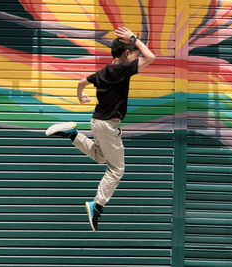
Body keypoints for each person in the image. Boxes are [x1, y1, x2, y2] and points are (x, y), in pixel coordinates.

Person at [45, 27, 155, 231]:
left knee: (100, 156)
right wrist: (134, 38)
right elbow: (151, 56)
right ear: (126, 54)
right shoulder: (122, 69)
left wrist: (80, 96)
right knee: (117, 169)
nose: (137, 54)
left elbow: (81, 82)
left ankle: (72, 134)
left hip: (97, 122)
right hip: (107, 125)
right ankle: (97, 205)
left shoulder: (104, 71)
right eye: (133, 52)